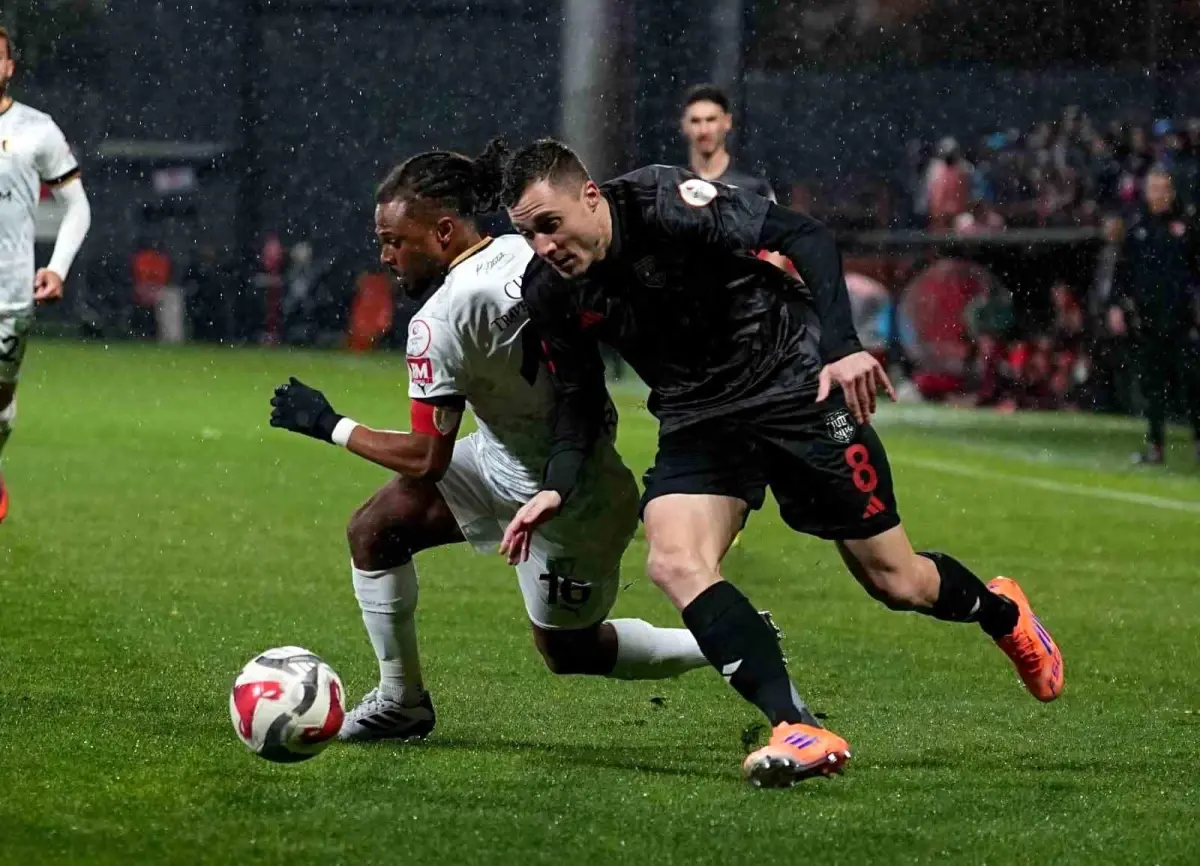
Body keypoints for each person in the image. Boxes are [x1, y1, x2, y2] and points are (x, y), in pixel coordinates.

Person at [495, 140, 1064, 788]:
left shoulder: (663, 203)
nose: (543, 245)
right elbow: (577, 396)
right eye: (526, 233)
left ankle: (1004, 614)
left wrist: (843, 348)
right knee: (674, 560)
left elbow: (803, 234)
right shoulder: (549, 290)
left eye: (549, 224)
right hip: (699, 420)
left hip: (796, 386)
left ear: (589, 196)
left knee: (896, 581)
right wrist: (555, 487)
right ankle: (798, 725)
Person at [267, 142, 714, 742]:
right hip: (518, 457)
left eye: (395, 240)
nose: (386, 255)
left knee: (570, 652)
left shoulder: (438, 321)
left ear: (444, 231)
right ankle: (401, 701)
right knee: (375, 530)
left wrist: (329, 424)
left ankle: (724, 637)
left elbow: (428, 459)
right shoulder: (523, 250)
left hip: (565, 503)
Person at [0, 26, 92, 522]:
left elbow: (77, 207)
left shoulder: (37, 129)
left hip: (10, 294)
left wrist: (55, 269)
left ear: (10, 67)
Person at [1108, 167, 1200, 465]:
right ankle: (1156, 446)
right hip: (1148, 319)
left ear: (1171, 193)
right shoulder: (1137, 227)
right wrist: (1116, 306)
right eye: (1153, 188)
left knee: (1192, 382)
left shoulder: (1186, 226)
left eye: (1162, 189)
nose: (1157, 194)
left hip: (1183, 317)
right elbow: (1122, 271)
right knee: (1153, 385)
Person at [680, 83, 789, 275]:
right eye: (696, 121)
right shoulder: (672, 186)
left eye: (711, 120)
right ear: (684, 126)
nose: (704, 130)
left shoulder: (753, 186)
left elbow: (779, 244)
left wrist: (758, 292)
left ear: (727, 122)